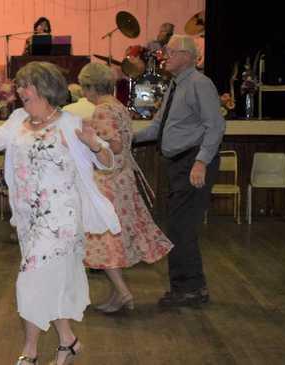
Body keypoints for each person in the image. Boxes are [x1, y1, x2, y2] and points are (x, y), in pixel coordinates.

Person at [0, 61, 121, 365]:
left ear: (45, 88)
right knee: (48, 281)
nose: (19, 91)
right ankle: (68, 341)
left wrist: (93, 145)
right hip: (27, 217)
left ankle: (29, 352)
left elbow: (109, 162)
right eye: (18, 86)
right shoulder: (18, 119)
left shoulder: (70, 123)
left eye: (25, 85)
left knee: (30, 279)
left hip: (61, 219)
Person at [73, 63, 173, 313]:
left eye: (85, 87)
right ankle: (118, 294)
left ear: (91, 87)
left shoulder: (102, 111)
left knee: (105, 238)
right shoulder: (118, 107)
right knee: (111, 238)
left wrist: (85, 139)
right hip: (123, 178)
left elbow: (114, 146)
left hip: (109, 181)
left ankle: (123, 292)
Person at [134, 34, 225, 307]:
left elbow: (216, 126)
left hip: (192, 162)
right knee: (178, 226)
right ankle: (189, 288)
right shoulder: (175, 86)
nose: (165, 56)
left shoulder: (200, 84)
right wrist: (125, 137)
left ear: (186, 56)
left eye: (171, 52)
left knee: (180, 227)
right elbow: (156, 129)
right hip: (180, 164)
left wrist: (201, 162)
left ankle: (191, 289)